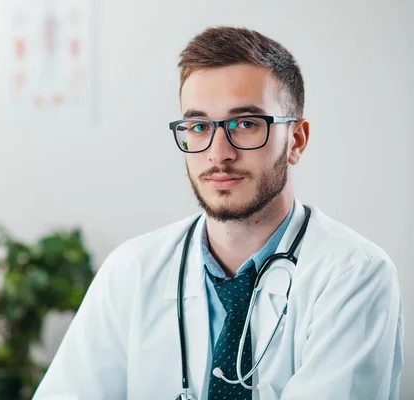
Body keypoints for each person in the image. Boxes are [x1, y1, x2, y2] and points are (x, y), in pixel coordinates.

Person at [32, 26, 404, 400]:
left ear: (296, 140)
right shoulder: (131, 270)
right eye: (198, 126)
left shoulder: (354, 276)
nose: (218, 153)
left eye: (245, 124)